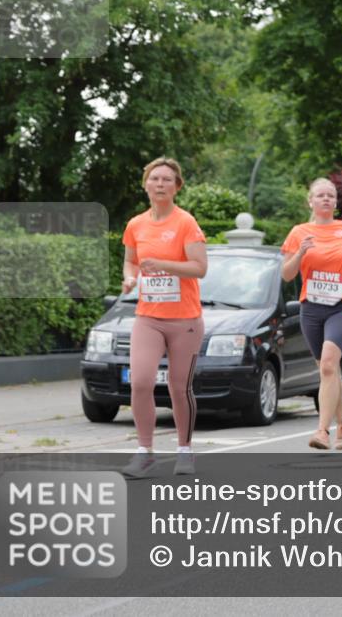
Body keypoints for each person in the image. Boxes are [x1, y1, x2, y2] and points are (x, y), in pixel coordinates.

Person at [120, 157, 207, 477]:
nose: (160, 184)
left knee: (179, 387)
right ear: (145, 184)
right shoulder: (136, 225)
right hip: (149, 316)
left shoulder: (185, 223)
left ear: (177, 187)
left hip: (184, 319)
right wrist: (129, 278)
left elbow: (200, 268)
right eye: (154, 178)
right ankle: (145, 452)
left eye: (167, 180)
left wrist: (164, 265)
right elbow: (130, 261)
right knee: (140, 382)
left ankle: (184, 450)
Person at [281, 178, 342, 450]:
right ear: (311, 201)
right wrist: (300, 253)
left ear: (336, 202)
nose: (326, 199)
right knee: (327, 371)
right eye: (320, 195)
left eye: (331, 195)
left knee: (329, 365)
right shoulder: (299, 232)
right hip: (312, 309)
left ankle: (322, 432)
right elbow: (287, 274)